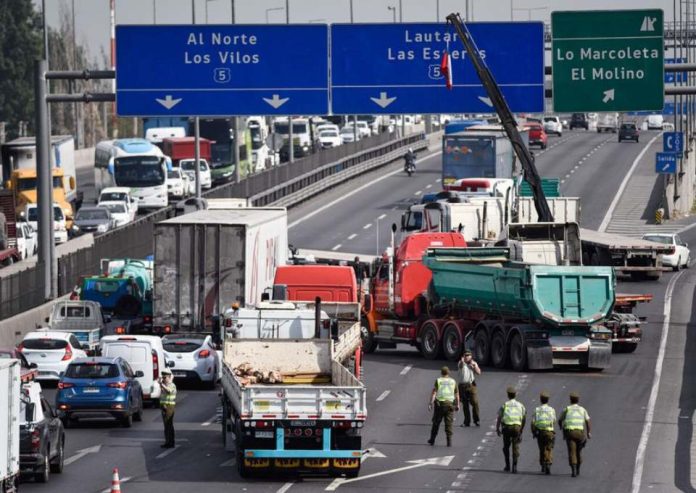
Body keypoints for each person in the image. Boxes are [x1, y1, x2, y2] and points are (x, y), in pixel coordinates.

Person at [558, 391, 591, 477]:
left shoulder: (567, 409)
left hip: (570, 433)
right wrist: (588, 432)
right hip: (580, 433)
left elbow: (560, 420)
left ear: (570, 400)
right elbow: (588, 421)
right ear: (578, 400)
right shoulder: (582, 409)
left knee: (572, 451)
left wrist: (561, 427)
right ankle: (578, 468)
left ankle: (573, 470)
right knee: (579, 451)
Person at [496, 386, 526, 473]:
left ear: (508, 395)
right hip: (517, 427)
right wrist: (521, 429)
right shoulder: (520, 405)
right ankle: (515, 466)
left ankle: (507, 465)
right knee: (515, 446)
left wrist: (497, 429)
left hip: (506, 428)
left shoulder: (505, 405)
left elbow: (499, 417)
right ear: (515, 395)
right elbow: (524, 418)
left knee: (506, 447)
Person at [428, 366, 459, 447]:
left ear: (441, 373)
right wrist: (458, 404)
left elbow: (434, 393)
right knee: (449, 424)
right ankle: (449, 442)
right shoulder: (453, 381)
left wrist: (430, 403)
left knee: (436, 423)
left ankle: (432, 440)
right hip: (450, 405)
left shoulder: (438, 380)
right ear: (448, 373)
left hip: (440, 405)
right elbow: (456, 394)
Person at [531, 391, 556, 475]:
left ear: (540, 400)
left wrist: (533, 432)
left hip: (540, 432)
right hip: (549, 432)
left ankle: (543, 464)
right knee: (549, 448)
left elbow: (533, 422)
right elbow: (554, 421)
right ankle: (548, 462)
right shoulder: (552, 410)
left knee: (542, 449)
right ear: (548, 400)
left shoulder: (537, 410)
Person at [457, 350, 481, 427]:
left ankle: (476, 420)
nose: (467, 357)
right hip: (462, 386)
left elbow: (479, 372)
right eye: (465, 355)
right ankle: (467, 421)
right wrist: (462, 361)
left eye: (468, 355)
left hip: (471, 385)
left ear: (471, 356)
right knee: (465, 404)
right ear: (463, 356)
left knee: (475, 402)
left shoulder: (474, 363)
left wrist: (474, 368)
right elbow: (460, 366)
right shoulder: (461, 363)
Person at [158, 367, 177, 448]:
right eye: (163, 377)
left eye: (165, 377)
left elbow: (168, 391)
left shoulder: (172, 385)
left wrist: (162, 384)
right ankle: (168, 442)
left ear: (169, 377)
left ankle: (170, 442)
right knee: (166, 426)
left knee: (168, 425)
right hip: (164, 406)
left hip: (169, 407)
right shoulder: (165, 385)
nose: (163, 379)